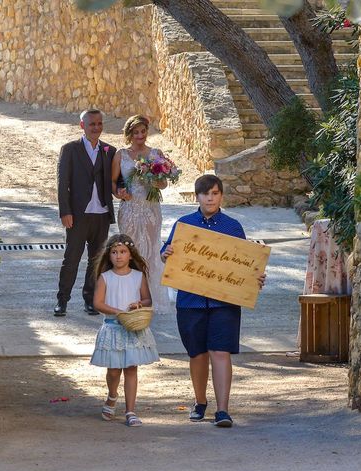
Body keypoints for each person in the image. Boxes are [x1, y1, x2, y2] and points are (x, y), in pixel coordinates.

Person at [160, 174, 265, 428]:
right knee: (196, 354)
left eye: (215, 193)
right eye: (206, 193)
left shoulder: (233, 227)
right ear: (197, 196)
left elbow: (245, 263)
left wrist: (255, 278)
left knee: (220, 352)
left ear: (221, 196)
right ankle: (200, 402)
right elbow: (166, 254)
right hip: (190, 301)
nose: (210, 197)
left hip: (224, 304)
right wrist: (166, 253)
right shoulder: (184, 225)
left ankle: (223, 410)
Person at [90, 233, 159, 427]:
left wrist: (139, 304)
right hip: (113, 329)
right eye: (114, 252)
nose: (118, 256)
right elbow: (98, 303)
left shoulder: (138, 276)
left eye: (122, 252)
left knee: (131, 368)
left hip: (133, 329)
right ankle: (112, 395)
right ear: (109, 255)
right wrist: (117, 312)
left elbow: (147, 299)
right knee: (113, 371)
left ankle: (130, 411)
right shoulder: (105, 278)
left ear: (130, 254)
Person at [54, 109, 116, 317]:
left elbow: (117, 181)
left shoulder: (110, 150)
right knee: (71, 259)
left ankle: (90, 300)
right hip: (78, 215)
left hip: (102, 214)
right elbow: (63, 184)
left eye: (99, 123)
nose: (96, 128)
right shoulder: (70, 149)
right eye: (92, 124)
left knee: (96, 260)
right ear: (83, 125)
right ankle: (62, 300)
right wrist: (65, 211)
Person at [112, 114, 172, 314]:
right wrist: (119, 193)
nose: (140, 136)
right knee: (130, 250)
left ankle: (150, 297)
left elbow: (163, 182)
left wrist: (157, 182)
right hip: (129, 209)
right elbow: (113, 183)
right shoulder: (121, 155)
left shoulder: (156, 153)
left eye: (143, 131)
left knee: (152, 249)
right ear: (129, 134)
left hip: (150, 209)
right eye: (136, 132)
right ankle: (129, 296)